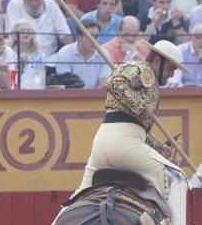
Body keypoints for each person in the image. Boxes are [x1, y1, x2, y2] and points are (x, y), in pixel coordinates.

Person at [78, 39, 189, 197]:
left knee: (81, 194)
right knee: (174, 176)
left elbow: (134, 126)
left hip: (103, 143)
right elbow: (114, 82)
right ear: (157, 61)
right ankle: (161, 222)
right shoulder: (142, 69)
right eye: (171, 69)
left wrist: (157, 145)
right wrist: (141, 107)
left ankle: (57, 222)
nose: (172, 75)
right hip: (124, 144)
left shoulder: (147, 78)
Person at [5, 0, 72, 57]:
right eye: (30, 0)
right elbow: (12, 36)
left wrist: (70, 54)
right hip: (22, 58)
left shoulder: (51, 4)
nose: (34, 4)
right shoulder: (14, 5)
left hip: (50, 59)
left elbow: (65, 35)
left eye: (37, 0)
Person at [56, 19, 111, 88]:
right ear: (79, 37)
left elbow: (103, 84)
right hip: (71, 97)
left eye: (96, 37)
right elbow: (65, 84)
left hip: (95, 97)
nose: (93, 41)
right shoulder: (64, 53)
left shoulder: (104, 54)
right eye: (89, 37)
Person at [7, 18, 45, 83]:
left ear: (32, 35)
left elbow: (41, 77)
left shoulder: (39, 54)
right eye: (22, 31)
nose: (25, 33)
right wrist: (20, 64)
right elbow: (9, 78)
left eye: (28, 31)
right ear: (15, 36)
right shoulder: (9, 52)